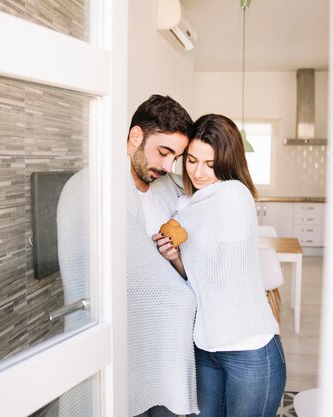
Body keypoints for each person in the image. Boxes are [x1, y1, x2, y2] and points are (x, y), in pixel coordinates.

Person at [153, 114, 287, 417]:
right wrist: (175, 257)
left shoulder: (233, 195)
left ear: (227, 161)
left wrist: (178, 218)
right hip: (206, 347)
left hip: (250, 350)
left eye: (210, 164)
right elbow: (202, 279)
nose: (199, 172)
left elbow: (227, 275)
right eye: (191, 160)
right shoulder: (188, 203)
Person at [125, 95, 198, 417]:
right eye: (164, 152)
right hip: (129, 345)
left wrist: (177, 261)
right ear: (136, 137)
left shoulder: (171, 191)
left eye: (176, 157)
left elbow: (191, 265)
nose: (168, 167)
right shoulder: (106, 190)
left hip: (169, 346)